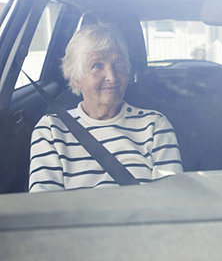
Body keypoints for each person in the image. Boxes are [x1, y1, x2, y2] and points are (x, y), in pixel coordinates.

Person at [29, 24, 183, 192]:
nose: (112, 76)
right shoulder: (51, 130)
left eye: (118, 64)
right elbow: (45, 207)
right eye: (97, 66)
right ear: (76, 79)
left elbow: (170, 199)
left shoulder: (154, 125)